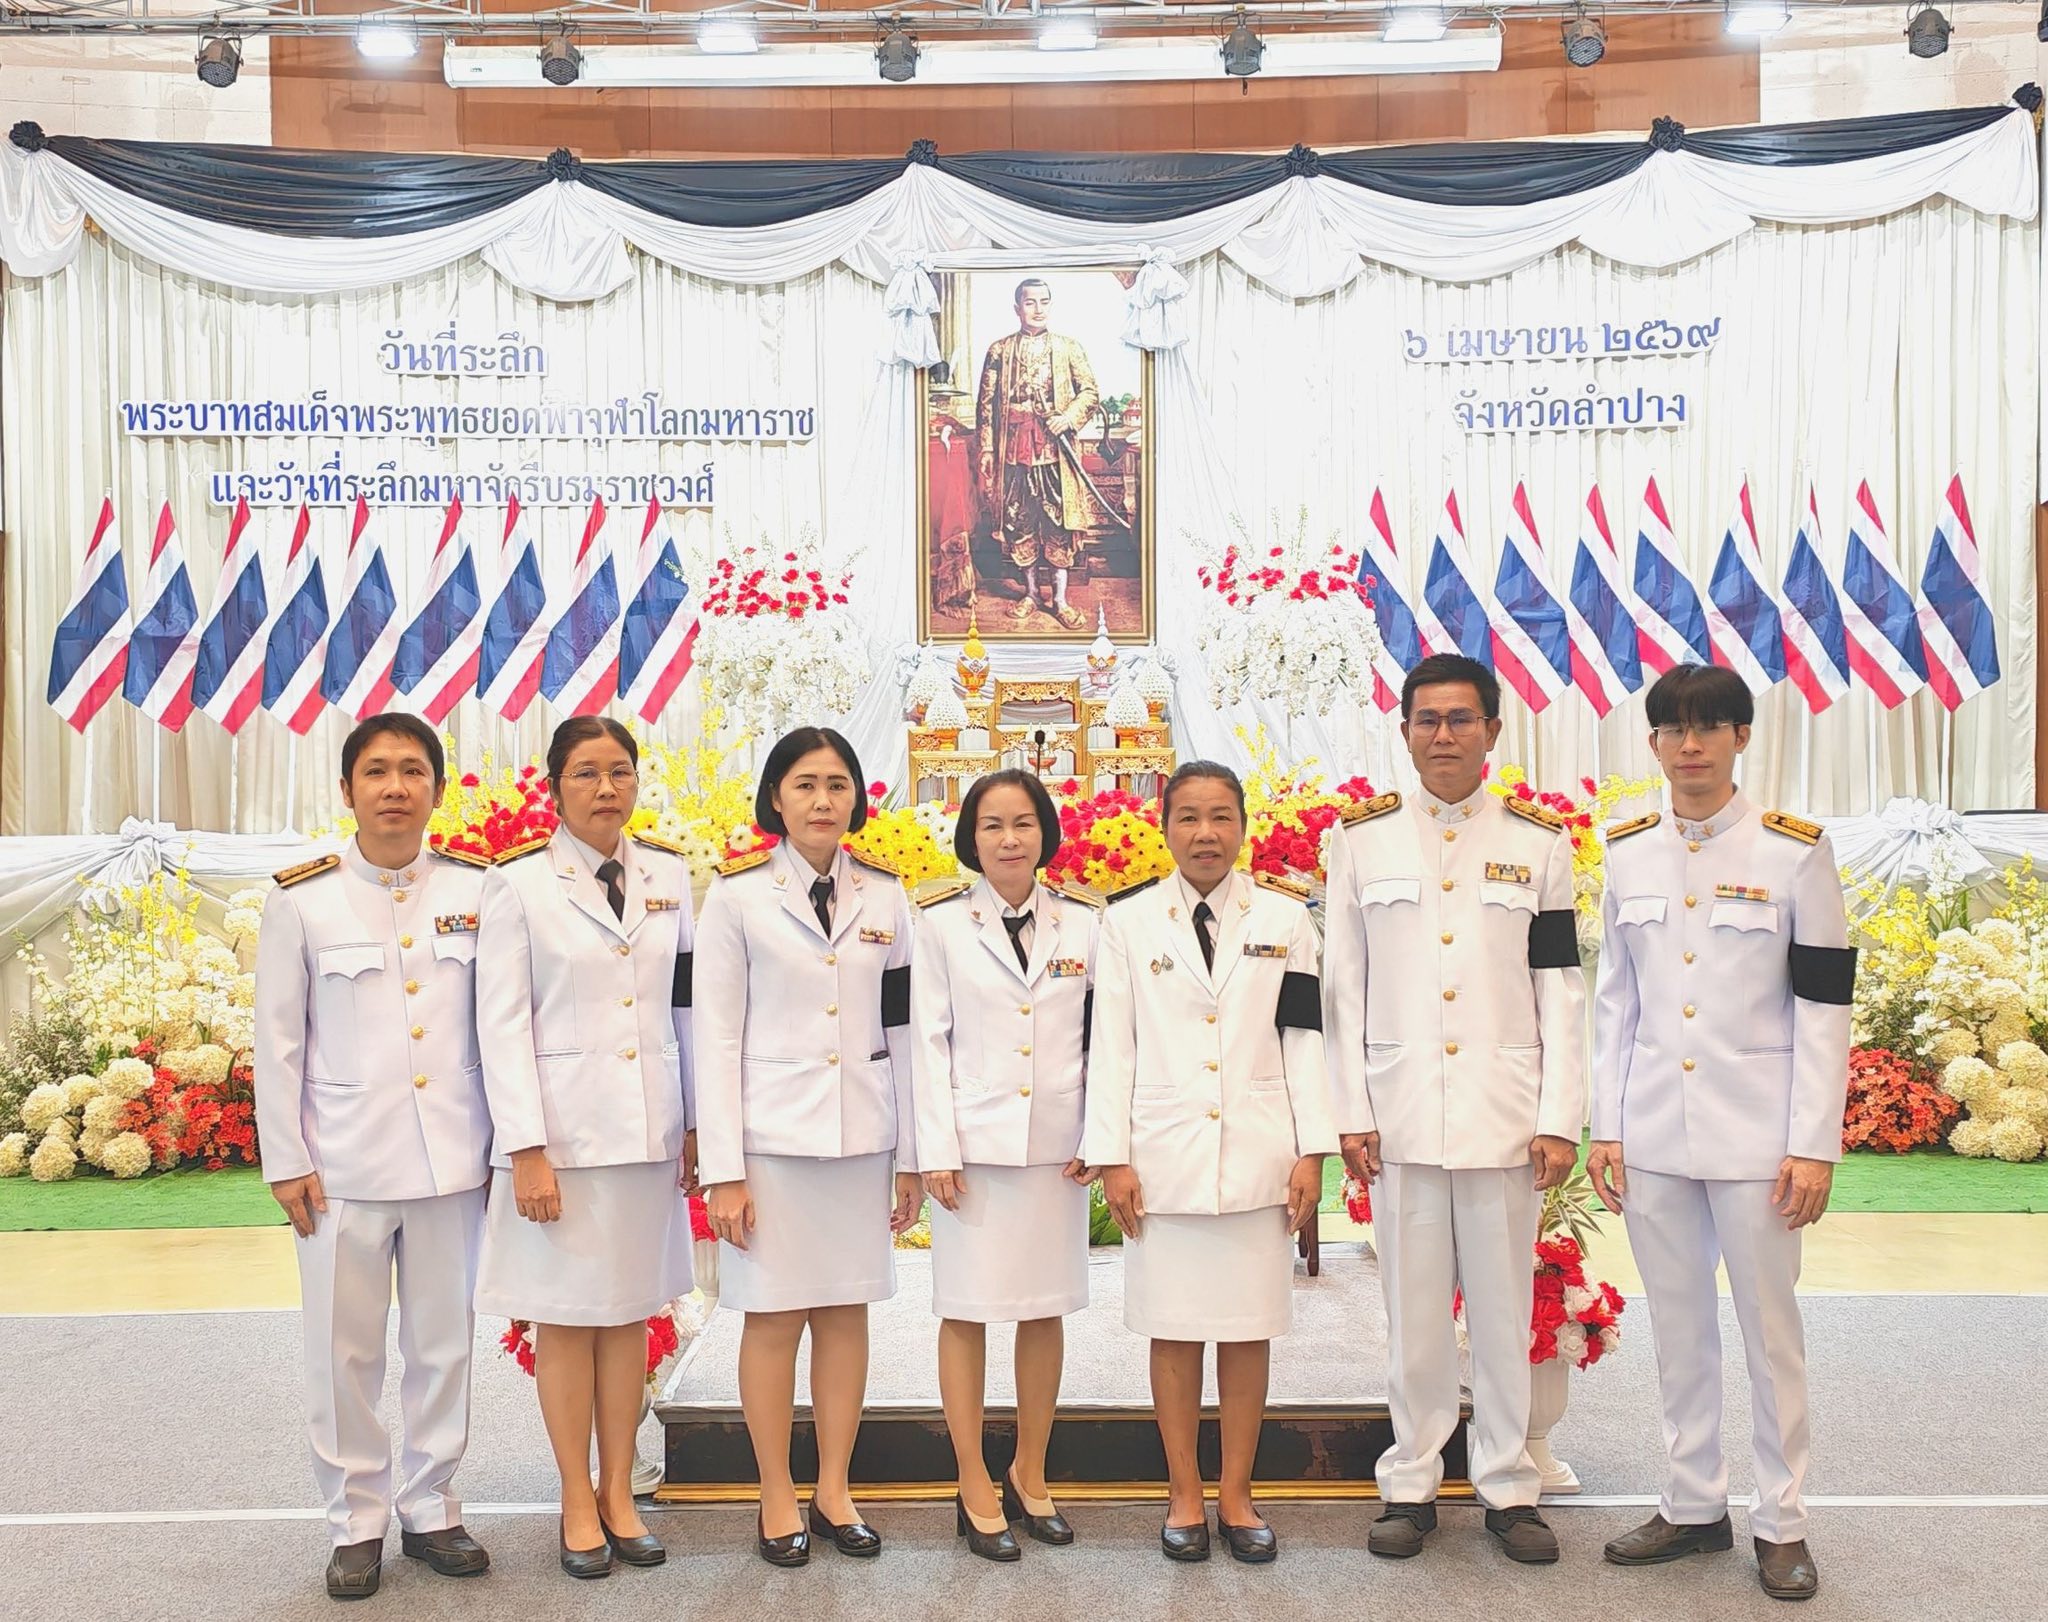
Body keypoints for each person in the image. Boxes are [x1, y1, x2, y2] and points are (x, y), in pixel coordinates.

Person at [1590, 663, 1854, 1603]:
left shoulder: (1795, 853)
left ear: (1743, 737)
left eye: (1710, 727)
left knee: (1770, 1332)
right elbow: (1615, 1000)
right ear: (1654, 743)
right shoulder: (1626, 852)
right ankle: (1693, 1503)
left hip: (1759, 1140)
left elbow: (1825, 1005)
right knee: (1679, 1328)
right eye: (1674, 729)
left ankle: (1782, 1521)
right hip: (1658, 1131)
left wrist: (1812, 1140)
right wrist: (1607, 1125)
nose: (1691, 745)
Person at [1322, 653, 1586, 1566]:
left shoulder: (1541, 846)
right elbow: (1341, 991)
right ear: (1403, 732)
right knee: (1414, 1310)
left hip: (1504, 1114)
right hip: (1399, 1115)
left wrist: (1559, 1115)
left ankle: (1510, 1485)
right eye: (1427, 720)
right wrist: (1349, 1111)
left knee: (1506, 1309)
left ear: (1492, 732)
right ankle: (1412, 1481)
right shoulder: (1359, 844)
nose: (1443, 735)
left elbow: (1561, 989)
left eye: (1461, 719)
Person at [254, 711, 496, 1600]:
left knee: (443, 1343)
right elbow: (278, 1038)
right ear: (348, 788)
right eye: (377, 772)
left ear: (437, 786)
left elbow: (496, 1028)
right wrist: (286, 1156)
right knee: (342, 1350)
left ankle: (431, 1504)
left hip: (451, 1162)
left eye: (412, 771)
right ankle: (356, 1519)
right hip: (341, 1165)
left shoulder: (477, 890)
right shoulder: (304, 898)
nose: (396, 787)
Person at [1082, 760, 1334, 1565]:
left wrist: (1311, 1150)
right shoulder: (1124, 923)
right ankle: (1184, 1491)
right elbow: (1109, 1046)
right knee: (1174, 1330)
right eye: (1188, 817)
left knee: (1248, 1329)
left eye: (1221, 816)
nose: (1205, 833)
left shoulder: (1289, 920)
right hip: (1162, 1159)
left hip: (1260, 1152)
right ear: (1164, 827)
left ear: (1243, 825)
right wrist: (1112, 1156)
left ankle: (1237, 1492)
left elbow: (1305, 1039)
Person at [473, 716, 697, 1580]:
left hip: (644, 1134)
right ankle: (575, 1495)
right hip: (561, 1143)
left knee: (630, 1319)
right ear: (555, 787)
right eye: (586, 774)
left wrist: (694, 1123)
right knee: (567, 1323)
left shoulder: (670, 876)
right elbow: (502, 1025)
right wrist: (525, 1145)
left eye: (619, 771)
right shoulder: (518, 886)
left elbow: (686, 1010)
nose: (606, 789)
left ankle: (618, 1491)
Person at [692, 727, 921, 1567]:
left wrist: (911, 1154)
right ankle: (775, 1492)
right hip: (772, 1146)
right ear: (776, 800)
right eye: (805, 785)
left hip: (861, 1138)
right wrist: (724, 1170)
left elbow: (904, 1032)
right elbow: (714, 1040)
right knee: (774, 1315)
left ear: (857, 797)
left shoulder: (889, 899)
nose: (823, 800)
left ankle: (832, 1486)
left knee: (845, 1311)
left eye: (837, 784)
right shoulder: (737, 899)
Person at [910, 769, 1099, 1563]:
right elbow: (926, 1040)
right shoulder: (940, 925)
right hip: (975, 1151)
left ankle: (1029, 1470)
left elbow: (1106, 1040)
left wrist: (1101, 1132)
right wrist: (935, 1149)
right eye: (992, 826)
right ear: (971, 837)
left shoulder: (1087, 923)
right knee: (966, 1309)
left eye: (1024, 824)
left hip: (1056, 1150)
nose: (1010, 840)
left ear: (1045, 833)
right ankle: (972, 1480)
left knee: (1043, 1309)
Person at [974, 276, 1101, 630]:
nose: (1038, 309)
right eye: (1030, 302)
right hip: (1013, 453)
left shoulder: (1069, 348)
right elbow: (986, 406)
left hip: (1054, 453)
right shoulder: (999, 350)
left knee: (1058, 524)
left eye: (1044, 301)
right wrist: (986, 446)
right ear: (1017, 308)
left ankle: (1059, 599)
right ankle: (1031, 593)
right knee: (1019, 522)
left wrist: (1068, 417)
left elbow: (1090, 393)